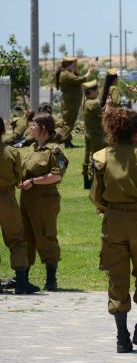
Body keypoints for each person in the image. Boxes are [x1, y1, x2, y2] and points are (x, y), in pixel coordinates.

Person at [90, 108, 137, 353]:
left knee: (117, 278)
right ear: (136, 133)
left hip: (113, 222)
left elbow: (95, 196)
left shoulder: (103, 157)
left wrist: (109, 209)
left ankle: (122, 336)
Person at [19, 113, 68, 291]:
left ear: (44, 129)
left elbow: (57, 175)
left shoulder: (54, 150)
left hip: (44, 201)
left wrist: (33, 181)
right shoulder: (32, 148)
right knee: (26, 237)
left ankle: (51, 279)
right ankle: (22, 278)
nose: (30, 128)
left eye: (33, 125)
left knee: (46, 236)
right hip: (26, 200)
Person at [0, 117, 40, 294]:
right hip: (6, 198)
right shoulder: (11, 152)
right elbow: (18, 179)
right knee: (17, 240)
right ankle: (22, 281)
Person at [56, 56, 93, 148]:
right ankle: (64, 141)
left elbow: (77, 76)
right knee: (68, 122)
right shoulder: (65, 74)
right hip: (69, 102)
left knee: (69, 122)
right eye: (74, 64)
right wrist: (88, 73)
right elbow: (78, 80)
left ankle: (67, 142)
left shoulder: (68, 73)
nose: (75, 66)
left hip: (71, 102)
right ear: (69, 65)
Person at [82, 80, 105, 190]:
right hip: (96, 135)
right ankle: (93, 180)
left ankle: (86, 180)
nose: (98, 91)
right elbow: (103, 118)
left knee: (87, 157)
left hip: (89, 133)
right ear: (91, 91)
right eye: (96, 89)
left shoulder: (86, 101)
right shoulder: (94, 103)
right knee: (96, 157)